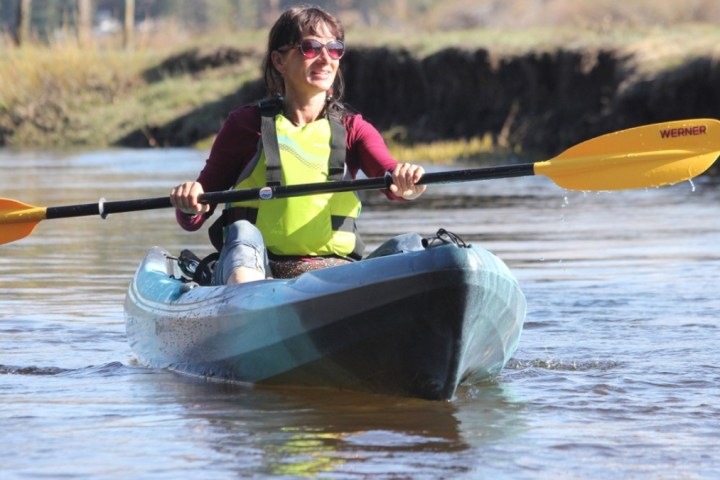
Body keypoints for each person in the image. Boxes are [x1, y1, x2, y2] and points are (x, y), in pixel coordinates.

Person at [170, 5, 426, 285]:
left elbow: (390, 178)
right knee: (242, 232)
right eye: (310, 48)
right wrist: (190, 203)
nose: (325, 59)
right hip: (258, 272)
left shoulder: (354, 129)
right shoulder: (245, 125)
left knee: (411, 245)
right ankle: (254, 309)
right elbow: (195, 214)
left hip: (335, 276)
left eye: (334, 49)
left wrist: (408, 183)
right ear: (279, 61)